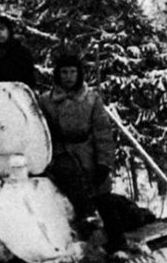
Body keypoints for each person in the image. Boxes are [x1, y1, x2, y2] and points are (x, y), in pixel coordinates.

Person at [38, 53, 122, 252]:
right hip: (60, 154)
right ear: (57, 75)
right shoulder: (46, 101)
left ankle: (118, 243)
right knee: (71, 198)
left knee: (103, 196)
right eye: (64, 72)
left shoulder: (91, 99)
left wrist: (104, 162)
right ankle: (87, 243)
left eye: (73, 72)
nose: (68, 76)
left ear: (79, 74)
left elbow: (102, 132)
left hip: (88, 153)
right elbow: (40, 131)